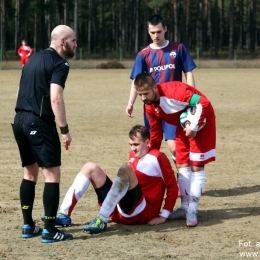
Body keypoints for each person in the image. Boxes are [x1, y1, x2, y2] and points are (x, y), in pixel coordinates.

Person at [42, 125, 178, 232]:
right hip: (121, 210)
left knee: (125, 169)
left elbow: (172, 186)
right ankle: (63, 214)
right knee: (90, 167)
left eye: (136, 144)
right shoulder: (132, 154)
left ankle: (101, 219)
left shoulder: (158, 157)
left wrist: (164, 215)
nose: (133, 148)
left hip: (142, 212)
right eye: (130, 144)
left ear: (147, 142)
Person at [11, 25, 77, 243]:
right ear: (62, 41)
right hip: (39, 122)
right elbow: (55, 98)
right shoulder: (60, 63)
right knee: (52, 175)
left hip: (20, 119)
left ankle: (28, 225)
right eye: (73, 41)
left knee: (29, 174)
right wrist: (64, 130)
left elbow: (20, 91)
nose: (76, 45)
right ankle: (50, 230)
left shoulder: (32, 59)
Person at [133, 73, 216, 227]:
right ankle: (184, 207)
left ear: (155, 88)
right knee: (182, 164)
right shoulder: (150, 106)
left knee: (196, 166)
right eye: (139, 95)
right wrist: (150, 156)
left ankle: (192, 210)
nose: (143, 98)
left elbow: (203, 102)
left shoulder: (175, 92)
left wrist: (195, 126)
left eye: (146, 93)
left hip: (201, 122)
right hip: (182, 125)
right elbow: (156, 133)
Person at [126, 14, 196, 160]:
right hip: (152, 109)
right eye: (152, 32)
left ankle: (181, 175)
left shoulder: (178, 48)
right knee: (150, 146)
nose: (156, 35)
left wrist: (192, 98)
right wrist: (130, 103)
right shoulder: (143, 54)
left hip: (173, 106)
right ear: (148, 31)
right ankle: (152, 180)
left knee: (175, 147)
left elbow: (188, 72)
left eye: (159, 31)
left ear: (165, 29)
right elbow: (136, 81)